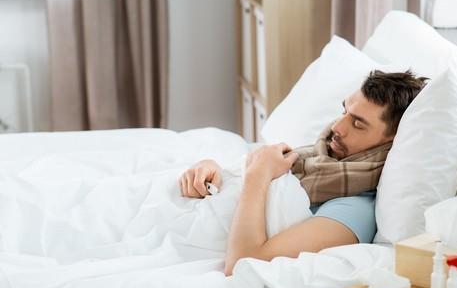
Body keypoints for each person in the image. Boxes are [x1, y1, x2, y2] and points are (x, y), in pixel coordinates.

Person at [179, 71, 427, 275]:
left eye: (358, 124)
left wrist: (258, 174)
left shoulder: (353, 211)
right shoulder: (315, 158)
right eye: (344, 112)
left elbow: (242, 264)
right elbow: (252, 167)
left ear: (391, 142)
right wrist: (213, 168)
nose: (337, 126)